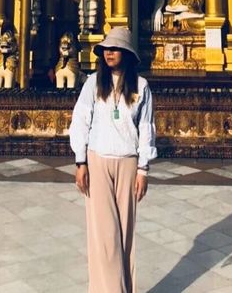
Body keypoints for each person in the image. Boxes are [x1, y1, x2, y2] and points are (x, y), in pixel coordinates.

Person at [70, 26, 157, 293]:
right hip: (98, 160)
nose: (109, 53)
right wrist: (80, 161)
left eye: (115, 48)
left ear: (127, 53)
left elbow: (146, 128)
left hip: (129, 162)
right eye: (106, 49)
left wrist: (143, 169)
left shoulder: (141, 87)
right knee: (104, 233)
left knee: (124, 233)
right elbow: (80, 122)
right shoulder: (93, 83)